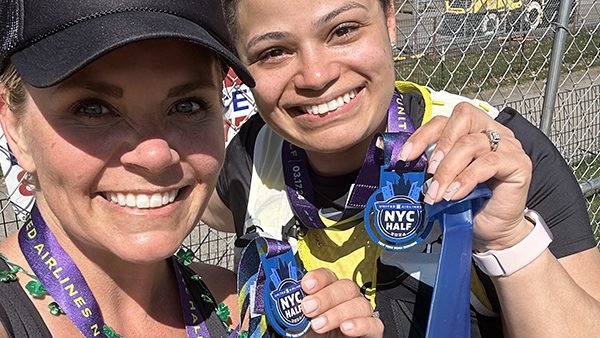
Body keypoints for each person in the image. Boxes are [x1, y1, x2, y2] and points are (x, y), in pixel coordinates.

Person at [202, 0, 600, 336]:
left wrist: (509, 241)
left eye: (343, 30)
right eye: (274, 52)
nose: (317, 76)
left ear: (389, 21)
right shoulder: (248, 154)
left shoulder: (497, 158)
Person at [0, 1, 383, 337]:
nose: (155, 155)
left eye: (187, 106)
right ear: (15, 127)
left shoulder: (248, 309)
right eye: (93, 108)